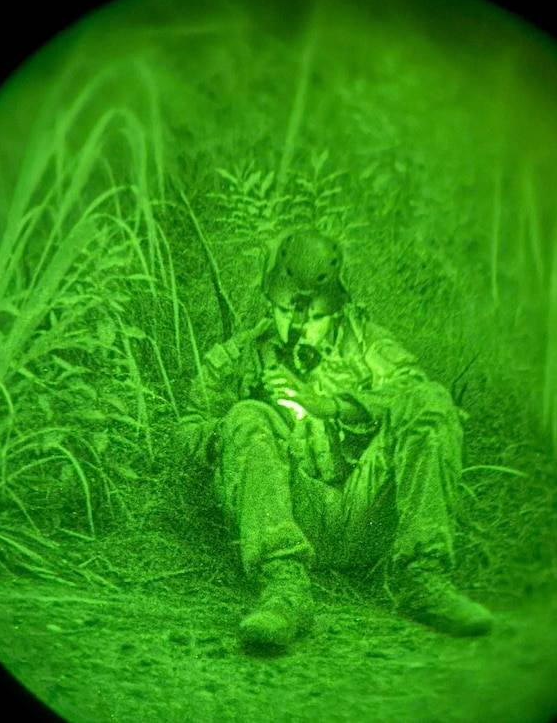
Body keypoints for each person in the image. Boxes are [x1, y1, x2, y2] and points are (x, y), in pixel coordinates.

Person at [178, 228, 494, 648]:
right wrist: (241, 431)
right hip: (290, 512)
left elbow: (414, 391)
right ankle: (285, 589)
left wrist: (336, 406)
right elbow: (187, 427)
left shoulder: (365, 343)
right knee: (247, 415)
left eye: (314, 319)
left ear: (334, 308)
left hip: (368, 507)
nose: (299, 328)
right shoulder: (241, 356)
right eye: (287, 314)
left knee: (432, 401)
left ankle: (422, 577)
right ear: (272, 301)